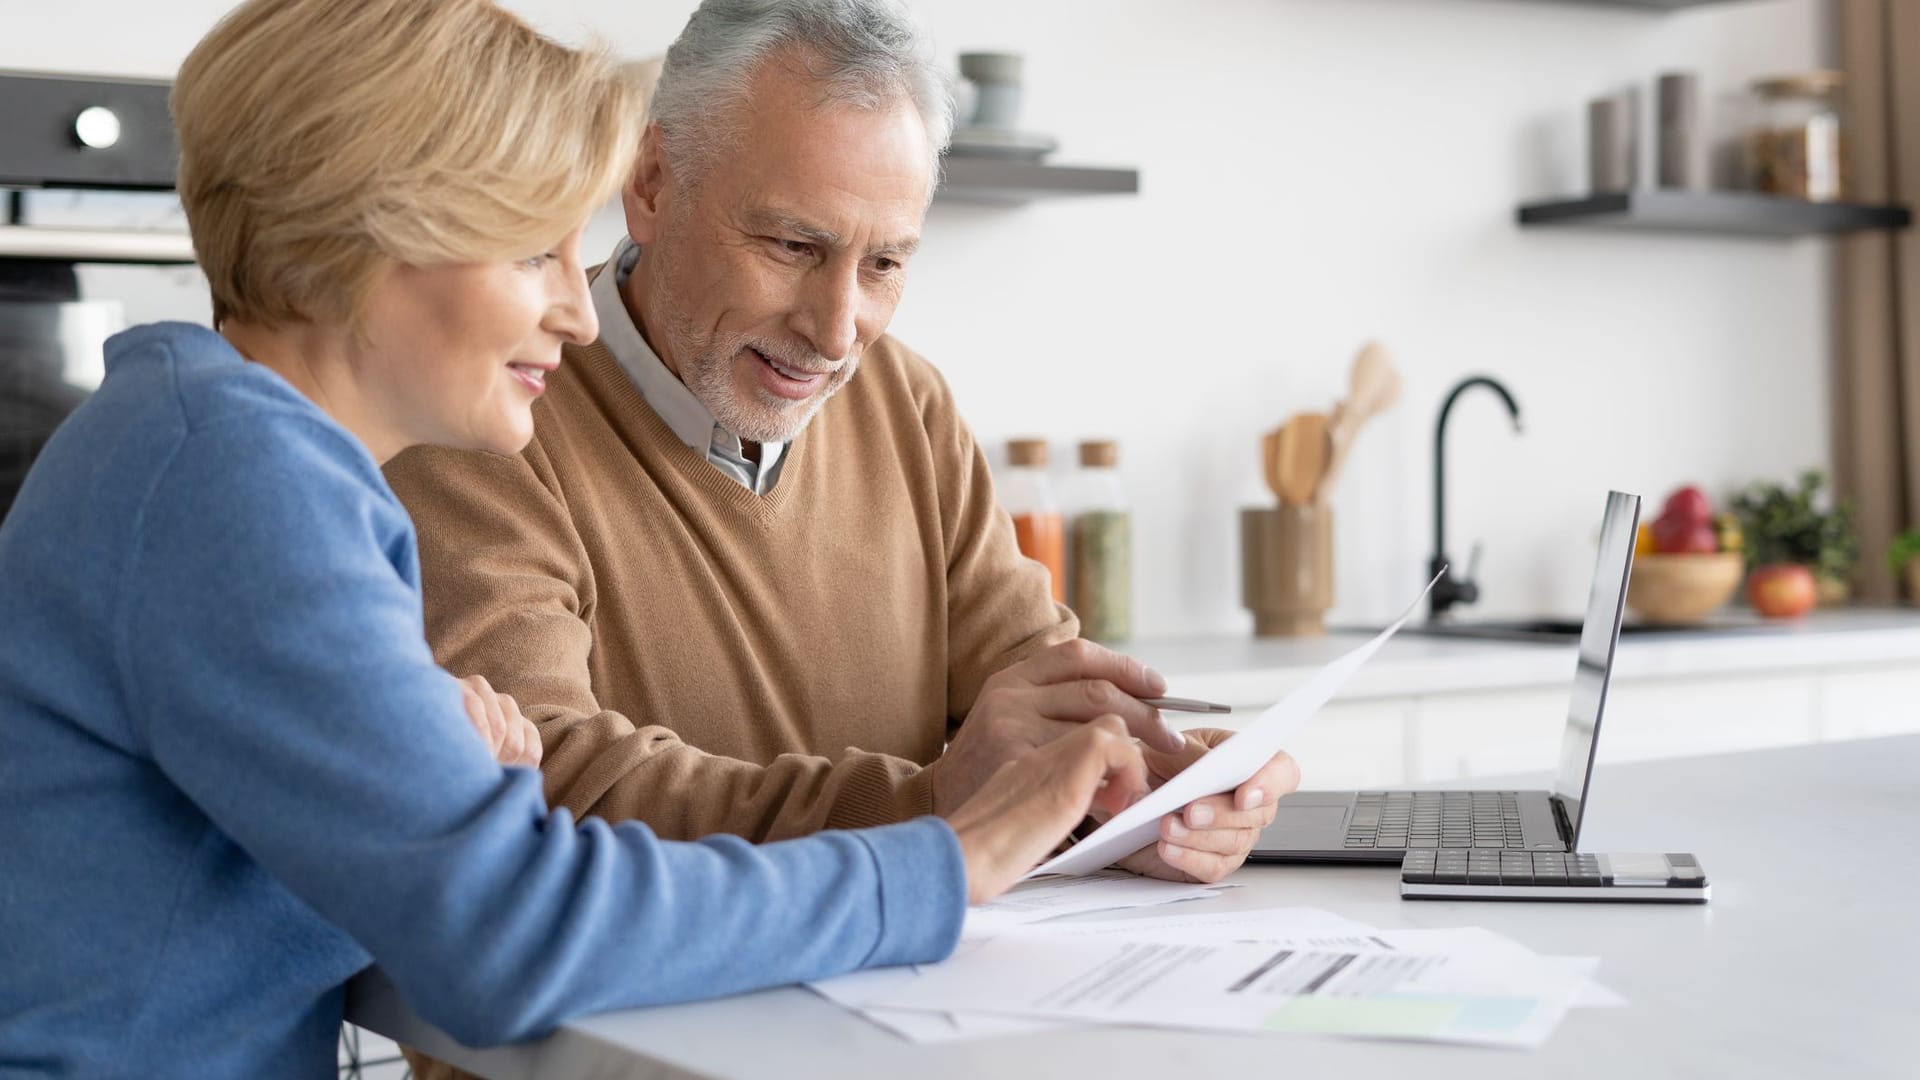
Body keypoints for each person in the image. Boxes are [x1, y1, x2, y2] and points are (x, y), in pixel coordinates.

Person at [0, 1, 1152, 1074]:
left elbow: (443, 870)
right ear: (377, 236)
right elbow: (509, 933)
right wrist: (944, 864)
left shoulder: (219, 444)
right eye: (531, 251)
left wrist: (462, 797)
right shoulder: (234, 477)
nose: (579, 306)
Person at [386, 0, 1300, 881]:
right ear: (652, 184)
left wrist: (1140, 796)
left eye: (886, 264)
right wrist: (939, 808)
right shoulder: (484, 415)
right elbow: (552, 782)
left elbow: (1039, 695)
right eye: (791, 245)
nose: (836, 330)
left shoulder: (910, 405)